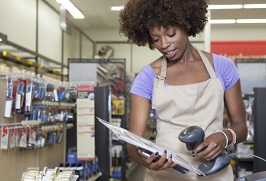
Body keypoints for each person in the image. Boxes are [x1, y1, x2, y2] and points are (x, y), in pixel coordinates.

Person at [119, 0, 247, 180]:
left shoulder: (223, 68)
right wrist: (145, 159)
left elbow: (241, 127)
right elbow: (133, 144)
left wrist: (224, 137)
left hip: (215, 174)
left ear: (186, 25)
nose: (164, 44)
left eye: (171, 34)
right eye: (156, 39)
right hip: (166, 175)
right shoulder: (147, 77)